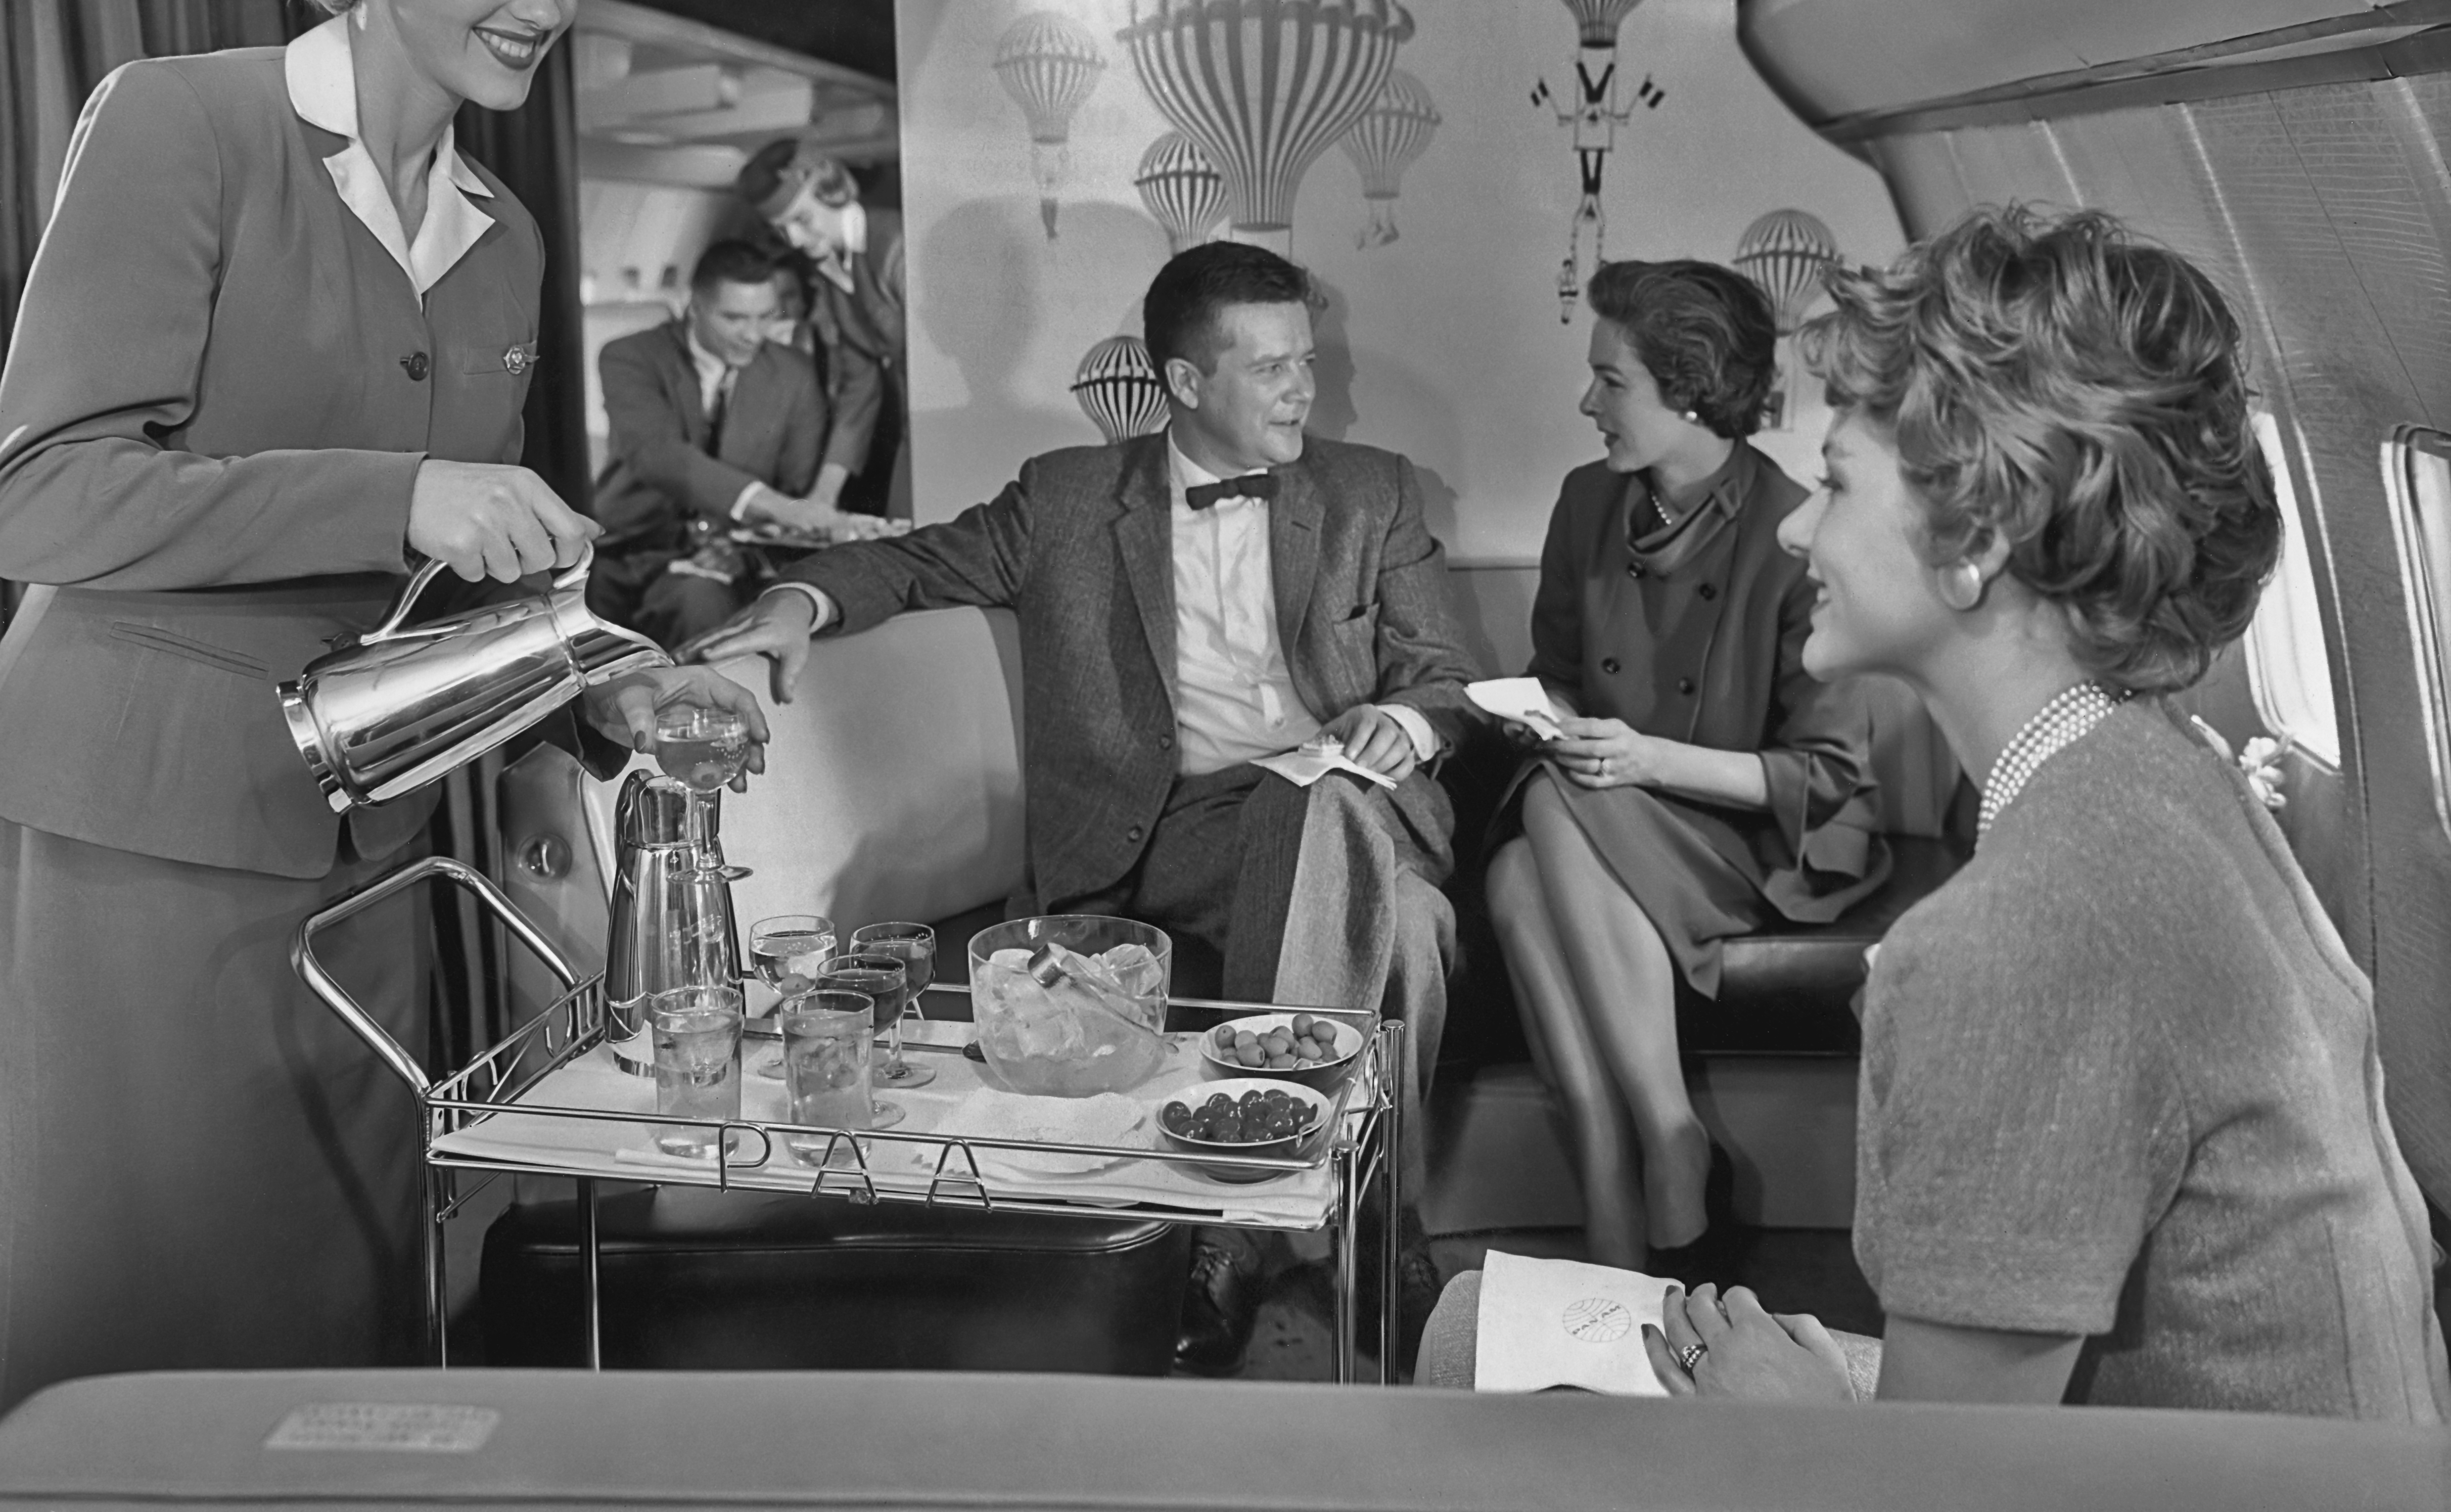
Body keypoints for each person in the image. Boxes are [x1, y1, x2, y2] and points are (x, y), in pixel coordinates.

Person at [0, 0, 768, 1412]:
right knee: (152, 1332)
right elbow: (40, 493)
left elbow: (468, 582)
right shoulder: (184, 124)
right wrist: (399, 494)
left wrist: (609, 683)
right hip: (149, 838)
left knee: (353, 1303)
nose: (543, 2)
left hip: (373, 848)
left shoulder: (505, 232)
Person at [1426, 207, 2451, 1418]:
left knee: (1468, 1355)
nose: (1795, 525)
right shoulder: (2165, 766)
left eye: (1834, 481)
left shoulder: (2012, 937)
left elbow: (1943, 1481)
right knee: (1466, 1328)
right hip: (2253, 1448)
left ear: (1972, 540)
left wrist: (1791, 1410)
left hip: (2174, 1479)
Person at [687, 239, 1476, 1372]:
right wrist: (799, 600)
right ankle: (1376, 1218)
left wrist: (1399, 722)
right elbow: (915, 564)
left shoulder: (1371, 491)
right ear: (1185, 381)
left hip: (1343, 811)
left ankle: (1240, 1221)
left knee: (1326, 814)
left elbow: (1442, 676)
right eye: (1269, 367)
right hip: (1163, 835)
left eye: (1305, 361)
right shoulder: (1064, 498)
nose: (1302, 388)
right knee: (1411, 922)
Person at [1488, 259, 1884, 1270]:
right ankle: (1625, 1159)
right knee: (1517, 860)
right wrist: (1551, 720)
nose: (1587, 403)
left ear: (1692, 390)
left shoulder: (1793, 531)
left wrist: (1643, 758)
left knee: (1544, 818)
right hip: (1600, 808)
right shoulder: (1586, 501)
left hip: (1753, 834)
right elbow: (1556, 674)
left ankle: (1657, 1154)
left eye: (1610, 380)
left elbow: (1822, 775)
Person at [590, 238, 899, 647]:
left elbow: (795, 486)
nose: (753, 335)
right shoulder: (631, 356)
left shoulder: (793, 374)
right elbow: (657, 455)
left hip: (734, 556)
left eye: (766, 317)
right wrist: (780, 508)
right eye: (734, 318)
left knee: (705, 602)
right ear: (694, 306)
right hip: (634, 551)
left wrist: (746, 551)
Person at [736, 138, 904, 518]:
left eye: (801, 220)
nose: (795, 240)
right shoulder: (828, 269)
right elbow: (860, 387)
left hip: (945, 424)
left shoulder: (895, 247)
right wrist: (823, 496)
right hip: (914, 431)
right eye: (782, 231)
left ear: (835, 194)